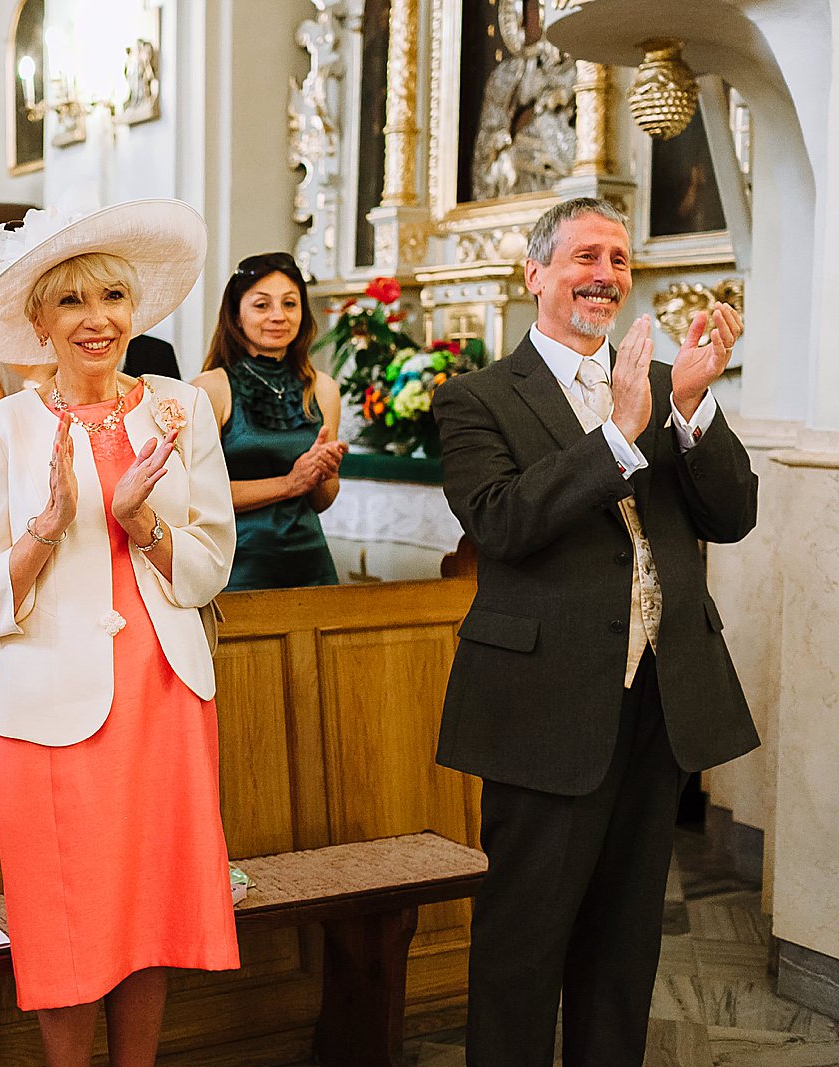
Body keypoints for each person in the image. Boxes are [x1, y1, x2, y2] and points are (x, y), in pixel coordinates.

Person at [432, 197, 759, 1067]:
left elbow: (731, 516)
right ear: (535, 274)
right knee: (523, 944)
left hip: (658, 699)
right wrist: (615, 435)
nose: (605, 275)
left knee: (623, 946)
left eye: (618, 258)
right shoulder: (476, 399)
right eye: (585, 256)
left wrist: (690, 407)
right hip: (544, 704)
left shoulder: (660, 386)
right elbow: (500, 523)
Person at [0, 199, 239, 1066]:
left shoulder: (180, 409)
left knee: (151, 908)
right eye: (72, 302)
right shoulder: (1, 428)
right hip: (51, 704)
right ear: (38, 321)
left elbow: (211, 564)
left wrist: (138, 521)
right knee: (66, 914)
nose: (96, 319)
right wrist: (44, 529)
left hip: (162, 691)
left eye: (112, 296)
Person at [193, 252, 346, 590]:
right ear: (236, 316)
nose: (278, 316)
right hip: (238, 565)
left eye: (290, 304)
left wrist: (325, 471)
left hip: (311, 563)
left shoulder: (322, 388)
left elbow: (321, 501)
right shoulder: (210, 388)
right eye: (262, 305)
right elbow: (194, 498)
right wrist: (290, 484)